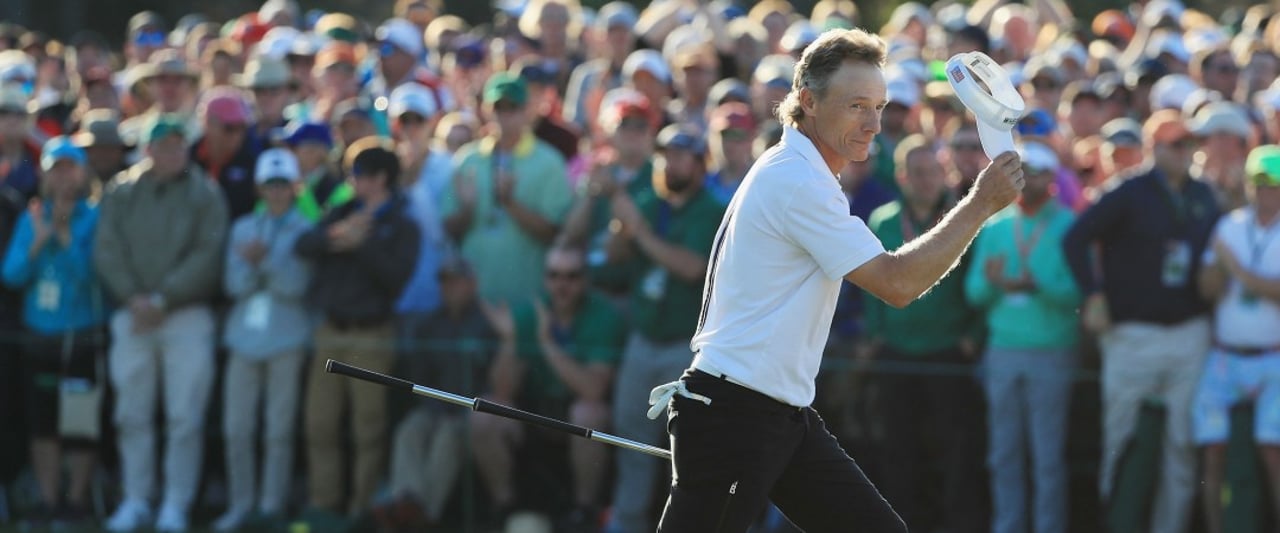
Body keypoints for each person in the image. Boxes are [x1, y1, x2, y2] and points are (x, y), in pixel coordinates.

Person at [647, 28, 1023, 532]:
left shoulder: (803, 171)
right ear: (807, 101)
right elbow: (898, 283)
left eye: (879, 106)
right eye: (856, 106)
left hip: (777, 414)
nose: (873, 123)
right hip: (733, 415)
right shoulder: (797, 181)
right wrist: (979, 205)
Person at [1062, 109, 1221, 533]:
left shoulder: (1205, 194)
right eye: (1175, 143)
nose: (1185, 152)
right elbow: (1075, 239)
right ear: (1153, 147)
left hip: (1190, 335)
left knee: (1182, 450)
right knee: (1121, 445)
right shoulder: (1128, 191)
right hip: (1132, 335)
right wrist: (1093, 295)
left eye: (1190, 143)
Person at [94, 114, 229, 532]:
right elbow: (107, 249)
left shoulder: (205, 193)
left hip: (185, 316)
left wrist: (164, 298)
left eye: (179, 145)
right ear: (148, 149)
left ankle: (175, 505)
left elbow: (209, 254)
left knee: (184, 418)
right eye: (165, 145)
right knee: (131, 415)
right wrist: (135, 297)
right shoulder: (121, 192)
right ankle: (136, 500)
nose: (174, 153)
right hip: (131, 316)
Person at [294, 137, 420, 523]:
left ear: (381, 178)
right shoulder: (342, 211)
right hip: (331, 331)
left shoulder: (403, 223)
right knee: (320, 423)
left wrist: (361, 245)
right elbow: (304, 243)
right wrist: (339, 236)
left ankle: (362, 508)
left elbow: (395, 279)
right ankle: (324, 504)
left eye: (359, 174)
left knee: (369, 427)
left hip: (371, 334)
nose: (351, 180)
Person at [964, 141, 1081, 533]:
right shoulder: (996, 226)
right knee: (1003, 454)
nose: (1028, 179)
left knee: (1047, 456)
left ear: (1052, 178)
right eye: (1023, 171)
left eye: (1037, 172)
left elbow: (1077, 294)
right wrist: (998, 284)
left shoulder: (1069, 226)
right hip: (1003, 351)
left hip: (1052, 352)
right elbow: (975, 292)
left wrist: (1038, 283)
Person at [471, 244, 628, 532]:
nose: (562, 284)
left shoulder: (605, 316)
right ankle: (504, 510)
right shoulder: (529, 312)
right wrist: (509, 341)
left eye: (572, 276)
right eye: (554, 275)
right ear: (545, 279)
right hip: (533, 414)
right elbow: (502, 391)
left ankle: (584, 512)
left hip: (578, 418)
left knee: (588, 413)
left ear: (586, 279)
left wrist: (546, 343)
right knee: (484, 415)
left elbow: (593, 390)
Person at [1, 137, 106, 528]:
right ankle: (48, 500)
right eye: (55, 168)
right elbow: (10, 276)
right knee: (43, 424)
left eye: (70, 168)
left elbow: (95, 279)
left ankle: (76, 500)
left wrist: (64, 238)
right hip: (39, 336)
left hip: (81, 336)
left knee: (80, 422)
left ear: (82, 173)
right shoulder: (33, 217)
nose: (63, 177)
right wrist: (39, 241)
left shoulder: (94, 218)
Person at [213, 148, 313, 531]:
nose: (276, 192)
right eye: (270, 184)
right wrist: (258, 267)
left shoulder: (304, 230)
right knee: (237, 428)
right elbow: (232, 284)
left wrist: (264, 262)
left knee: (278, 430)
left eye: (283, 184)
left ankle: (271, 507)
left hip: (286, 339)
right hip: (243, 338)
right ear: (259, 188)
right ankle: (241, 504)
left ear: (294, 187)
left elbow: (297, 286)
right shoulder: (243, 229)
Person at [1192, 145, 1280, 533]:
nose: (1267, 191)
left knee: (1272, 452)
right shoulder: (1229, 227)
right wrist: (1221, 272)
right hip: (1225, 356)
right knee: (1212, 452)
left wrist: (1238, 271)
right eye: (1261, 182)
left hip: (1273, 360)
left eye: (1275, 183)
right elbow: (1206, 289)